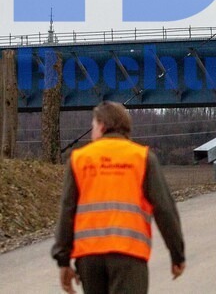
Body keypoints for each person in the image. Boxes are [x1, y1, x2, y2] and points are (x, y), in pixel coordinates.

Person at [52, 101, 185, 293]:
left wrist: (63, 260)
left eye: (93, 126)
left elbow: (67, 211)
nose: (92, 133)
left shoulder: (80, 159)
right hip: (129, 255)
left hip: (89, 258)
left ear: (103, 126)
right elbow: (164, 209)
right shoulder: (142, 158)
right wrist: (177, 254)